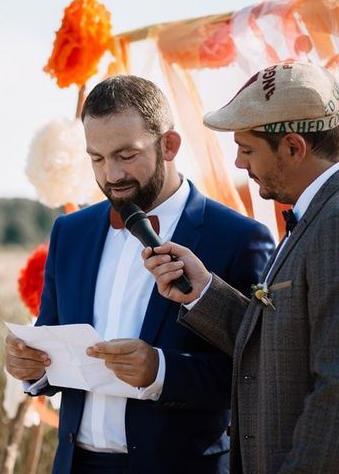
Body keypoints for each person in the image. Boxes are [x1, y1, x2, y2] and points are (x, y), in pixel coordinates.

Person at [5, 75, 274, 473]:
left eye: (125, 155)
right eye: (96, 158)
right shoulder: (70, 232)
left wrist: (161, 370)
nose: (111, 175)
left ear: (169, 145)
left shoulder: (240, 238)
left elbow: (255, 373)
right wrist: (33, 367)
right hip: (74, 464)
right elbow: (53, 335)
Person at [143, 61, 339, 473]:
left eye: (247, 149)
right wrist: (203, 293)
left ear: (293, 147)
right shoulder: (316, 214)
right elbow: (282, 345)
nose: (237, 164)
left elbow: (334, 391)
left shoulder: (334, 223)